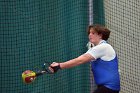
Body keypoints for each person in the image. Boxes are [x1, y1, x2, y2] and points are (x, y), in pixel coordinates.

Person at [49, 24, 120, 93]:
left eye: (93, 33)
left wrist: (59, 66)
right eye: (89, 33)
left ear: (100, 35)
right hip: (106, 88)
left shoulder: (104, 47)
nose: (90, 35)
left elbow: (79, 60)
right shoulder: (96, 48)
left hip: (109, 88)